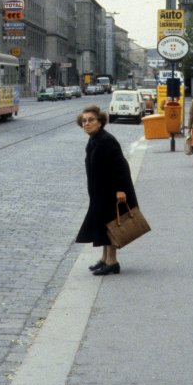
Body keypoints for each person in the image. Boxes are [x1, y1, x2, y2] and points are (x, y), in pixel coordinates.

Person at [75, 104, 139, 276]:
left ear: (100, 122)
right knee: (103, 225)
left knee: (111, 226)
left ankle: (112, 262)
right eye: (84, 121)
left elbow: (120, 167)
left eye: (91, 120)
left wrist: (120, 190)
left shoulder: (106, 140)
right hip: (100, 192)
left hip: (112, 192)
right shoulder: (95, 139)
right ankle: (105, 258)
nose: (86, 123)